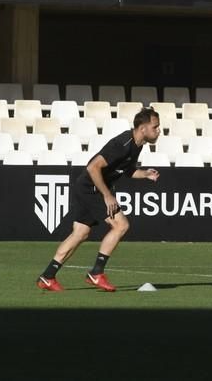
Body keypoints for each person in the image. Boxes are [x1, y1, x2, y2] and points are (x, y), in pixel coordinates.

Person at [36, 108, 161, 292]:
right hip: (91, 188)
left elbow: (125, 169)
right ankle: (96, 273)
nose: (158, 130)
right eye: (155, 127)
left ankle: (47, 276)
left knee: (80, 233)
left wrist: (144, 174)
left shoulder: (137, 145)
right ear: (142, 128)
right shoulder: (122, 143)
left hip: (88, 187)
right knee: (121, 225)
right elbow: (93, 167)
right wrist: (108, 195)